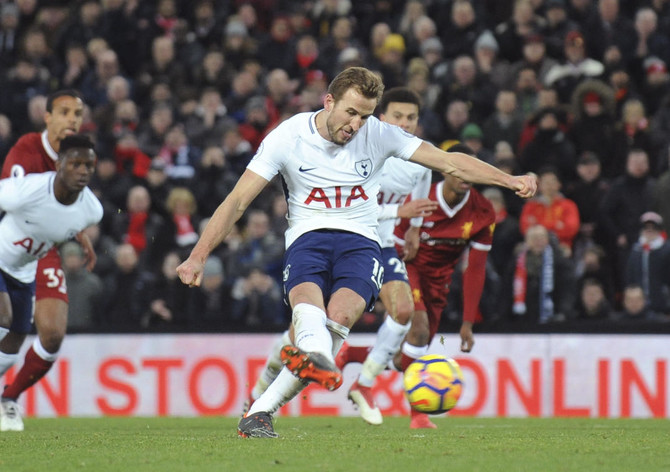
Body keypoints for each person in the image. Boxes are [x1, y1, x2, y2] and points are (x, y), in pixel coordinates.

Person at [175, 67, 537, 439]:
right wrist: (198, 254)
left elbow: (451, 162)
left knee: (340, 317)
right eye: (350, 113)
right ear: (329, 101)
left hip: (361, 242)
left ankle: (276, 396)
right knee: (307, 306)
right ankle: (275, 398)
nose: (356, 124)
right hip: (307, 236)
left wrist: (508, 180)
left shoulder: (379, 135)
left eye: (365, 116)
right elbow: (237, 200)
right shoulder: (288, 136)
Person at [243, 87, 436, 425]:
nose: (404, 124)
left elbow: (416, 209)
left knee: (399, 310)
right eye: (397, 117)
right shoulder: (367, 148)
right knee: (303, 335)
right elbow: (347, 209)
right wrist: (397, 211)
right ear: (381, 119)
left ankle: (365, 382)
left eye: (411, 118)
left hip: (378, 245)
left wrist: (415, 229)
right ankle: (262, 393)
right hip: (332, 237)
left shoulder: (418, 161)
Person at [340, 143, 496, 429]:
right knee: (419, 328)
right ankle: (417, 414)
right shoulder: (420, 199)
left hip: (439, 283)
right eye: (458, 167)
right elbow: (391, 238)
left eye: (470, 169)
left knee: (404, 358)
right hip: (407, 266)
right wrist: (391, 284)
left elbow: (475, 268)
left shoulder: (483, 212)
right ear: (444, 170)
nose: (464, 175)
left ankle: (353, 355)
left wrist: (468, 322)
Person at [0, 90, 99, 429]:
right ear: (48, 117)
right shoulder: (27, 150)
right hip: (9, 244)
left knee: (52, 335)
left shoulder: (81, 159)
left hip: (42, 252)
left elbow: (71, 209)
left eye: (78, 113)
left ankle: (8, 399)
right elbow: (10, 200)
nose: (72, 119)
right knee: (4, 317)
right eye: (65, 112)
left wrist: (79, 233)